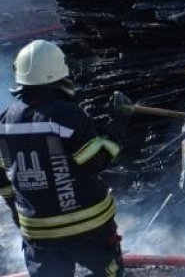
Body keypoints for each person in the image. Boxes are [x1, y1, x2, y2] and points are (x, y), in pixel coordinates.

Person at [0, 40, 124, 277]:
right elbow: (96, 162)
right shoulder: (66, 114)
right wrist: (117, 125)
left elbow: (1, 178)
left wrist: (15, 209)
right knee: (109, 272)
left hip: (38, 233)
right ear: (59, 73)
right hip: (89, 227)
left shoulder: (4, 121)